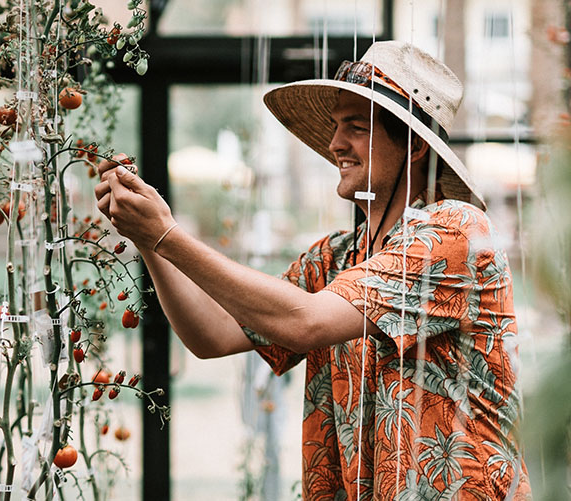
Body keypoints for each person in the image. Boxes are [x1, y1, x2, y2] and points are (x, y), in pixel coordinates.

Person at [94, 41, 529, 499]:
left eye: (356, 127)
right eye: (337, 126)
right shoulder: (336, 257)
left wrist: (169, 235)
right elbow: (211, 335)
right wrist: (150, 242)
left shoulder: (456, 232)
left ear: (416, 144)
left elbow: (305, 321)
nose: (335, 143)